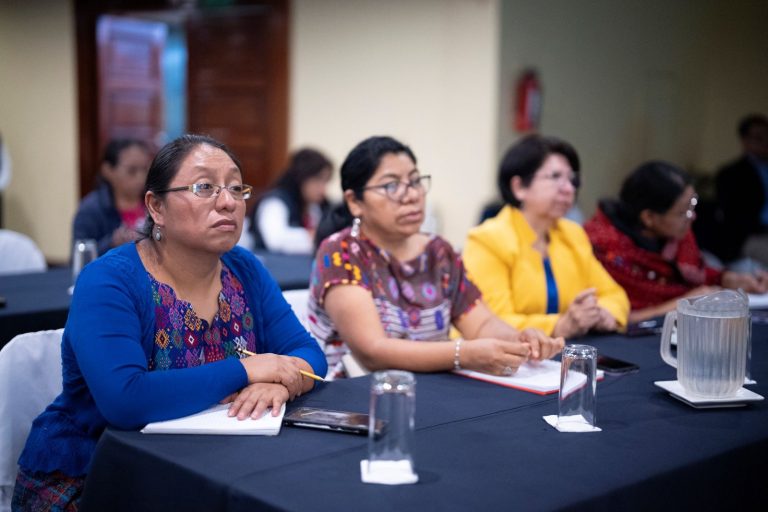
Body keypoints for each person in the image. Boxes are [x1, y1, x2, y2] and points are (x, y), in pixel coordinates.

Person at [13, 135, 327, 509]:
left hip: (212, 463)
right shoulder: (110, 280)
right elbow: (125, 400)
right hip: (97, 473)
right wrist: (248, 370)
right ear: (156, 207)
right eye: (205, 187)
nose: (228, 202)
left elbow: (309, 353)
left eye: (235, 187)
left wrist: (281, 385)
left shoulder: (245, 269)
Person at [309, 135, 563, 379]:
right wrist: (462, 354)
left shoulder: (439, 252)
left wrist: (518, 339)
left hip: (433, 390)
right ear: (354, 202)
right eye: (391, 186)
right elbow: (373, 351)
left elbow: (481, 324)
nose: (411, 195)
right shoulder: (341, 252)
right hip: (354, 394)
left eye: (415, 181)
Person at [463, 134, 629, 339]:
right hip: (512, 353)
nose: (569, 189)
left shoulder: (573, 234)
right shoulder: (488, 239)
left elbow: (615, 295)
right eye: (555, 177)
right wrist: (560, 325)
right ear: (519, 187)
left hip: (568, 348)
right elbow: (492, 322)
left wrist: (602, 314)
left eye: (572, 180)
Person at [585, 160, 768, 323]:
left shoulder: (677, 235)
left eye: (693, 205)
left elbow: (697, 274)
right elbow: (616, 316)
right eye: (683, 212)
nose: (692, 216)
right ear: (649, 217)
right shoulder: (604, 249)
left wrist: (731, 280)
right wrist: (683, 304)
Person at [72, 139, 152, 255]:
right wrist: (112, 243)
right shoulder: (90, 210)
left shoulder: (155, 202)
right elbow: (80, 257)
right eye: (132, 170)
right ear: (108, 170)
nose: (141, 177)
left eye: (145, 169)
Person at [250, 148, 332, 254]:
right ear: (301, 178)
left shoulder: (318, 206)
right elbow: (275, 241)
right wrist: (315, 236)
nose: (323, 189)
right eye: (317, 180)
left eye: (326, 182)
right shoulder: (275, 202)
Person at [715, 114, 768, 265]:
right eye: (759, 137)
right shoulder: (731, 174)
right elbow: (732, 218)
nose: (765, 142)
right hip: (751, 237)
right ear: (745, 140)